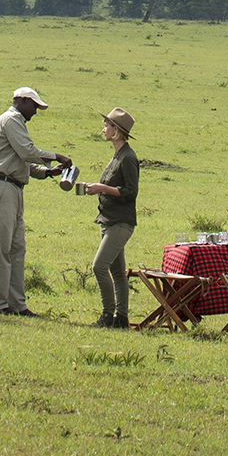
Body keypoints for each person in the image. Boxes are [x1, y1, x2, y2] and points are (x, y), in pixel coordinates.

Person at [0, 85, 71, 316]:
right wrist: (55, 156)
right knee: (0, 248)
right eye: (34, 105)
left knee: (16, 248)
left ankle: (16, 304)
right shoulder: (11, 119)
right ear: (21, 101)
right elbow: (26, 150)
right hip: (1, 186)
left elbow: (23, 161)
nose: (35, 112)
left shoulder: (16, 122)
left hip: (13, 187)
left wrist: (48, 171)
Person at [75, 107, 140, 328]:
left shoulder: (128, 158)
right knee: (117, 272)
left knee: (99, 266)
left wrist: (102, 188)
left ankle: (107, 315)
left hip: (121, 222)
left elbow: (131, 192)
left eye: (107, 125)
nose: (103, 129)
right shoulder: (117, 155)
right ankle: (121, 319)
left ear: (116, 130)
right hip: (109, 219)